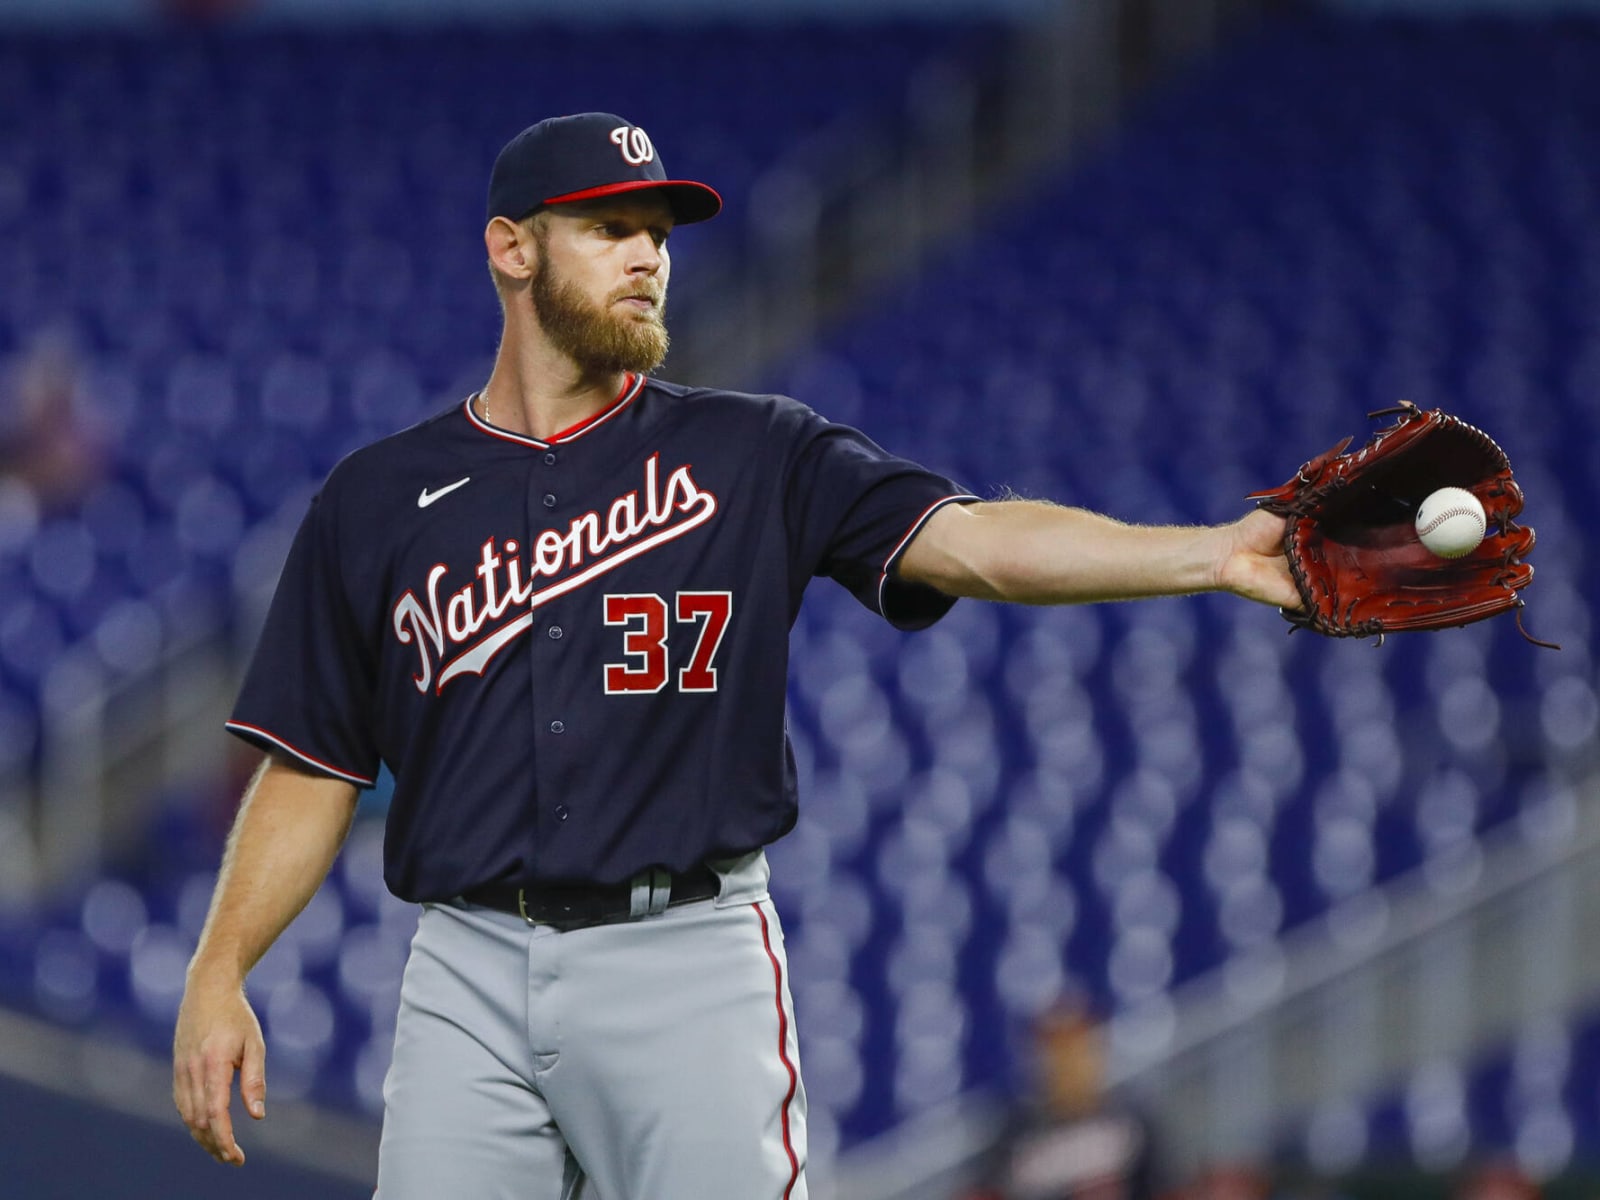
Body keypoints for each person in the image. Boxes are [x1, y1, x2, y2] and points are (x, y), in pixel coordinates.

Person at [172, 112, 1298, 1199]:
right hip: (465, 963)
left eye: (658, 234)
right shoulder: (377, 498)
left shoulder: (755, 450)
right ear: (511, 248)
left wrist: (1209, 554)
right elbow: (312, 765)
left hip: (684, 958)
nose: (646, 258)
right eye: (608, 228)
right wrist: (220, 971)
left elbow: (978, 543)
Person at [964, 998, 1158, 1200]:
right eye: (1057, 1050)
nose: (1068, 1063)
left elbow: (1162, 1184)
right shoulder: (1019, 1134)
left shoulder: (1129, 1120)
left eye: (1077, 1049)